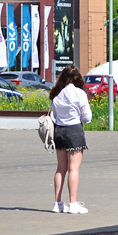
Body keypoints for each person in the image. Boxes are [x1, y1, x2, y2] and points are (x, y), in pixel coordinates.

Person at [49, 65, 93, 214]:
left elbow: (53, 116)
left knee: (61, 169)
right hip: (74, 131)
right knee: (74, 169)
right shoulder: (79, 93)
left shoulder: (57, 95)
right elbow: (87, 117)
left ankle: (57, 203)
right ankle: (73, 204)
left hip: (59, 131)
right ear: (77, 79)